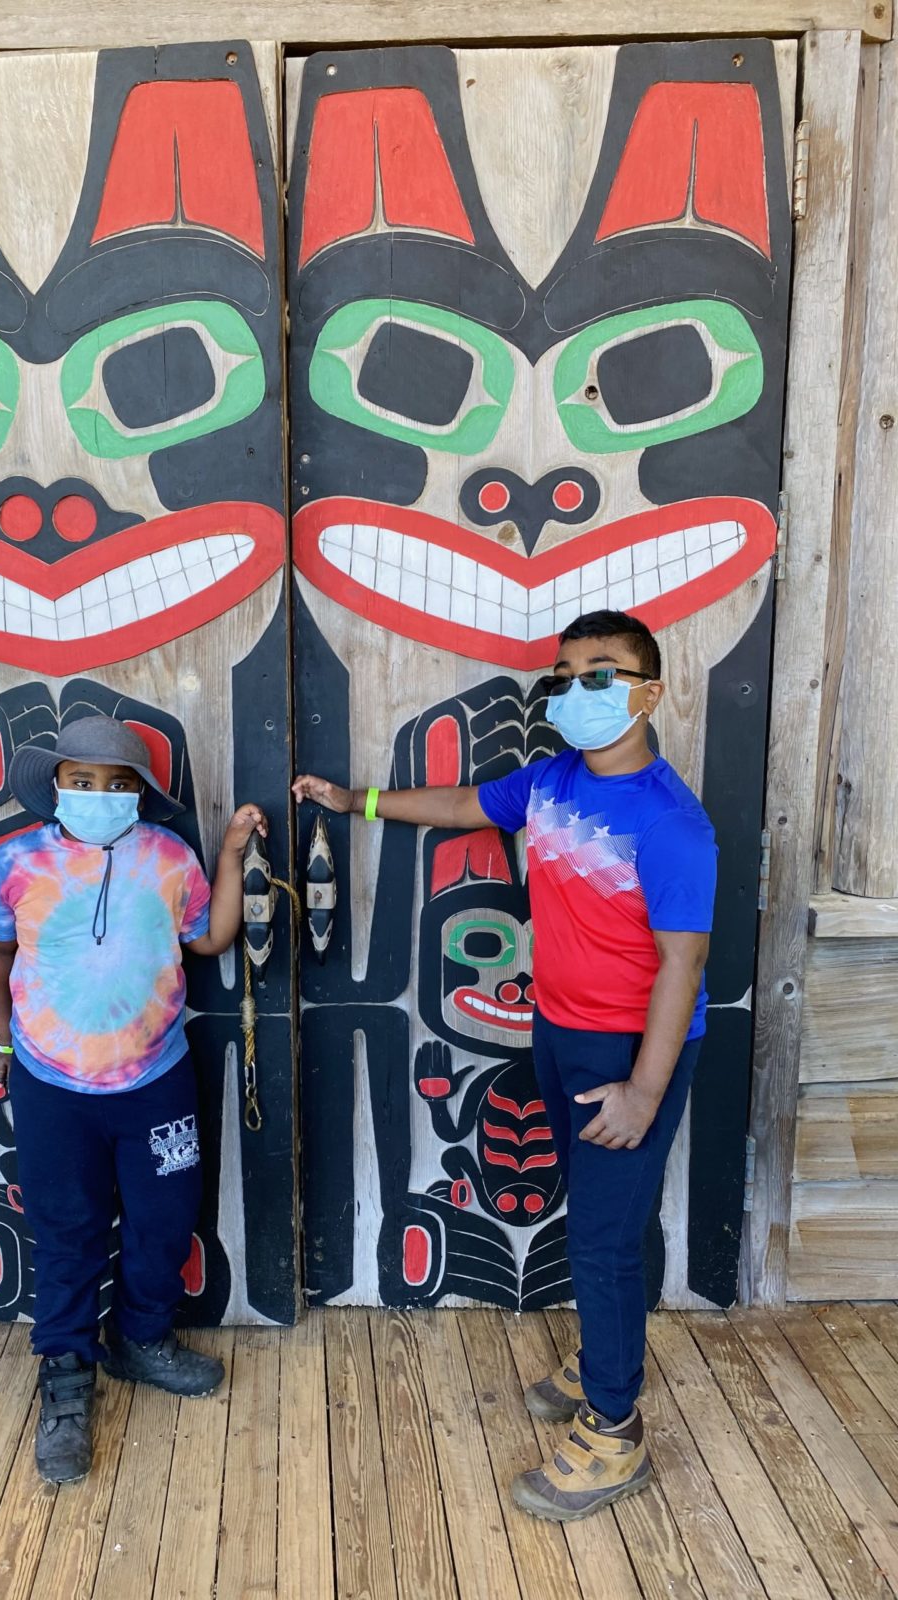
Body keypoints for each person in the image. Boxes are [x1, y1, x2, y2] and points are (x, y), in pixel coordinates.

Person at [293, 609, 716, 1522]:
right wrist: (355, 802)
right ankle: (603, 1356)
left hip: (630, 1051)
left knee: (603, 1239)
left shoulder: (673, 824)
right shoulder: (555, 782)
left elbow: (682, 964)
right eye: (565, 674)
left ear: (649, 691)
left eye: (600, 673)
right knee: (593, 1215)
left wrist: (645, 1089)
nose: (576, 689)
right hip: (561, 1034)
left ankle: (615, 1430)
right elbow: (464, 804)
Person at [0, 713, 266, 1485]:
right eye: (83, 781)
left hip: (155, 1079)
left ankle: (142, 1340)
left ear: (139, 793)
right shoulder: (13, 860)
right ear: (57, 786)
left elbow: (208, 938)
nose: (99, 794)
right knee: (66, 1229)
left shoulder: (169, 858)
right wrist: (5, 1038)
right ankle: (66, 1376)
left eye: (117, 783)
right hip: (51, 1084)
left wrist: (230, 853)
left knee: (165, 1221)